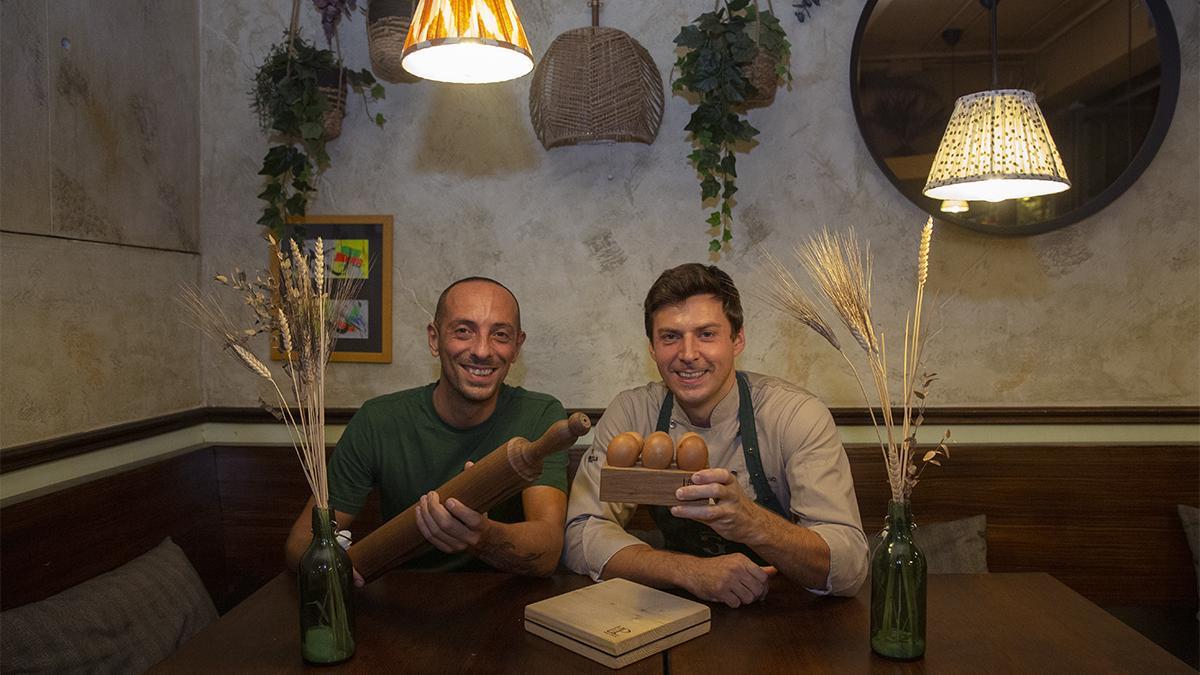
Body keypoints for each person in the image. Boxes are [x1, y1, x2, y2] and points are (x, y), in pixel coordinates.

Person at [563, 263, 868, 607]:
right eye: (670, 337)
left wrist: (751, 522)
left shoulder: (795, 415)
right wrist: (689, 571)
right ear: (651, 348)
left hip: (785, 617)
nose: (688, 354)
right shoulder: (633, 412)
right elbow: (579, 534)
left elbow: (850, 566)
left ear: (737, 340)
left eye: (706, 334)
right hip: (677, 608)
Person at [285, 277, 569, 578]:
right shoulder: (378, 420)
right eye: (463, 331)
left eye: (500, 335)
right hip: (398, 603)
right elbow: (300, 544)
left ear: (517, 347)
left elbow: (548, 551)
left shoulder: (540, 415)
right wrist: (340, 574)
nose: (483, 350)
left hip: (503, 602)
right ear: (434, 339)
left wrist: (484, 536)